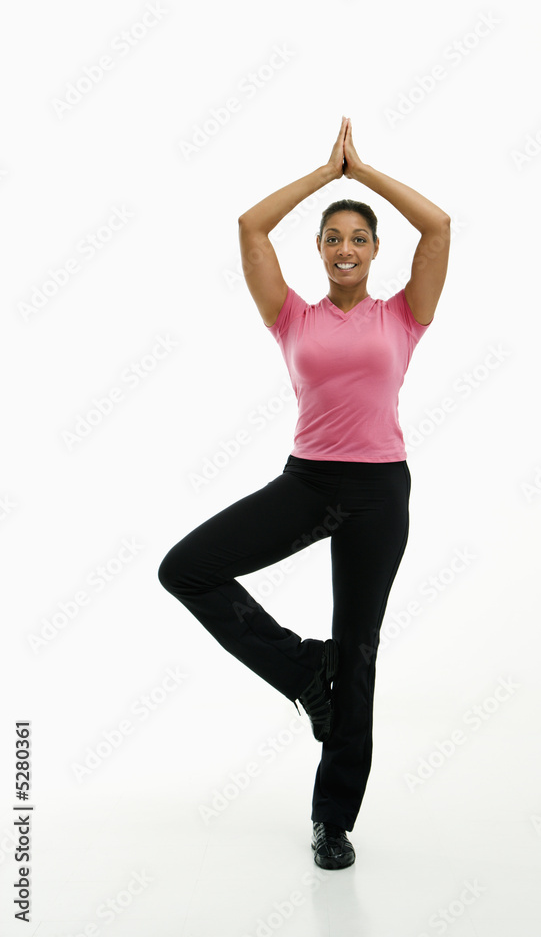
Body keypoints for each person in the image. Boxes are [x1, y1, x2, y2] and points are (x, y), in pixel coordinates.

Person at [157, 116, 451, 869]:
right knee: (186, 569)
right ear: (318, 250)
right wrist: (327, 177)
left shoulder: (403, 316)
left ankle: (332, 822)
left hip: (381, 492)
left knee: (358, 652)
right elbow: (250, 224)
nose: (346, 248)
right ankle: (299, 670)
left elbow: (440, 225)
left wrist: (366, 174)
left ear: (375, 251)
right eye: (333, 239)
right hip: (310, 480)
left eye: (359, 238)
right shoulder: (289, 314)